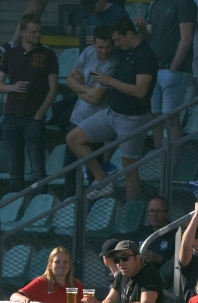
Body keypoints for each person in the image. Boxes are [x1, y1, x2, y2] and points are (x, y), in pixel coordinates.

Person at [66, 17, 157, 202]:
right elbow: (105, 41)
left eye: (116, 40)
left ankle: (131, 213)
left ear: (128, 34)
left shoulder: (145, 55)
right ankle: (102, 180)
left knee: (129, 170)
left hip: (133, 119)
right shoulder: (124, 50)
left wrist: (110, 82)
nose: (114, 44)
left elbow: (140, 91)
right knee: (73, 138)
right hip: (111, 113)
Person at [0, 14, 59, 194]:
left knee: (38, 170)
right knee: (15, 170)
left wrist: (40, 114)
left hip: (33, 117)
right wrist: (12, 87)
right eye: (33, 32)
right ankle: (16, 210)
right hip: (11, 115)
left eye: (39, 31)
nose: (38, 35)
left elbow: (53, 89)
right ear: (23, 33)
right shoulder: (10, 54)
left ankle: (40, 211)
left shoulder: (47, 54)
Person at [63, 25, 117, 197]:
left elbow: (96, 99)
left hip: (95, 121)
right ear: (94, 43)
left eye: (108, 47)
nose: (104, 51)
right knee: (69, 168)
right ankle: (69, 208)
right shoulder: (87, 52)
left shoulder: (112, 63)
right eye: (100, 47)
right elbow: (69, 80)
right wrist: (87, 89)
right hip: (77, 116)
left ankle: (92, 212)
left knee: (93, 170)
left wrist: (78, 89)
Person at [135, 0, 196, 151]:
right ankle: (161, 163)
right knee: (156, 118)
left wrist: (174, 67)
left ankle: (173, 166)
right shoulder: (155, 4)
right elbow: (148, 35)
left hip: (173, 71)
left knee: (171, 118)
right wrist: (142, 29)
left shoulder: (184, 3)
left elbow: (186, 37)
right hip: (155, 69)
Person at [91, 240, 164, 303]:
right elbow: (110, 300)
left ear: (137, 258)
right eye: (116, 259)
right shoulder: (121, 275)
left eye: (125, 257)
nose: (121, 263)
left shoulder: (150, 273)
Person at [10, 247, 83, 303]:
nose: (61, 265)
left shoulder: (76, 285)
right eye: (57, 262)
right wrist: (22, 299)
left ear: (69, 265)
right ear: (50, 265)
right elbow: (13, 297)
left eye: (65, 262)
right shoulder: (41, 282)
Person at [133, 196, 175, 269]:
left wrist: (160, 259)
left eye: (159, 211)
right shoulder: (141, 232)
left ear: (166, 214)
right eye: (151, 211)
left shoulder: (175, 234)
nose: (154, 215)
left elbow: (178, 265)